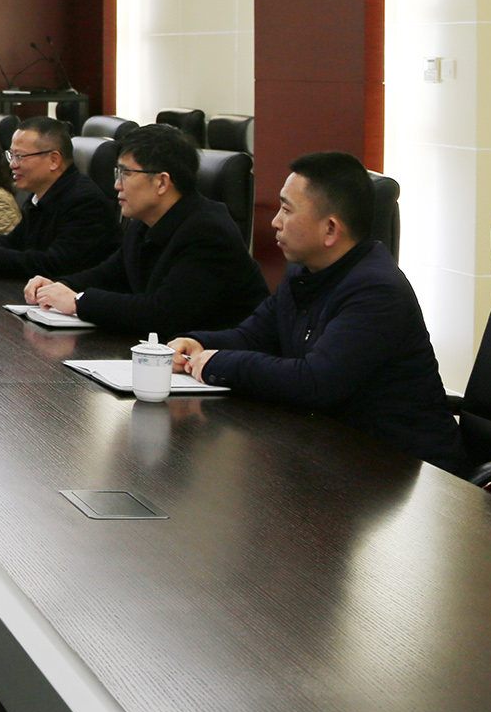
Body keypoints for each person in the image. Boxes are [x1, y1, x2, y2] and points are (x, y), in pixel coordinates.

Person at [169, 151, 462, 474]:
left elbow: (315, 382)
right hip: (335, 450)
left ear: (331, 229)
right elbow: (253, 335)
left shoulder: (377, 290)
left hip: (405, 469)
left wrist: (219, 363)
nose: (275, 221)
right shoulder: (306, 271)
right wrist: (197, 343)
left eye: (286, 210)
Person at [23, 124, 268, 338]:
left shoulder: (208, 232)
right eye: (117, 173)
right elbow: (110, 274)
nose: (116, 184)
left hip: (218, 363)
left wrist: (78, 302)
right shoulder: (144, 221)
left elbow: (163, 313)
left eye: (126, 174)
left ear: (162, 182)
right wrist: (58, 286)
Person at [0, 116, 117, 280]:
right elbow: (16, 242)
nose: (12, 164)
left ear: (54, 160)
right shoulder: (42, 194)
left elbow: (56, 264)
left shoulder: (84, 201)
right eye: (11, 155)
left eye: (20, 156)